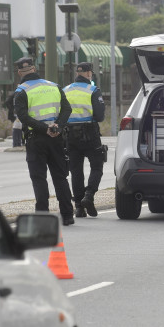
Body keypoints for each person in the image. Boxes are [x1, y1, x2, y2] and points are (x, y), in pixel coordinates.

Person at [12, 57, 76, 226]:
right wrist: (57, 126)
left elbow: (23, 117)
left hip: (36, 139)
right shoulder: (54, 86)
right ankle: (68, 215)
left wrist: (43, 128)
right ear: (34, 69)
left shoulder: (21, 91)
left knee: (39, 178)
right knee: (60, 177)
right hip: (56, 137)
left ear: (19, 72)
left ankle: (42, 216)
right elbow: (67, 109)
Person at [63, 62, 106, 218]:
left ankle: (79, 207)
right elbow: (100, 116)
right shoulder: (93, 90)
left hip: (70, 134)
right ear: (89, 73)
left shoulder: (65, 90)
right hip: (89, 133)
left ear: (77, 73)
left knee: (76, 171)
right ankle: (89, 195)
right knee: (97, 166)